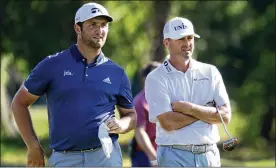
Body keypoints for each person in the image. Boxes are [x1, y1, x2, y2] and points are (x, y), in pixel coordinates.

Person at [11, 2, 137, 167]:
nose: (100, 31)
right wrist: (33, 145)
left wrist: (121, 125)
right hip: (65, 159)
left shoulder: (116, 72)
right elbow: (19, 103)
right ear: (78, 28)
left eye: (104, 25)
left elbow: (131, 115)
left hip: (106, 157)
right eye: (93, 25)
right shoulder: (53, 64)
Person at [145, 17, 232, 167]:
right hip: (173, 155)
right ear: (167, 43)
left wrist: (189, 108)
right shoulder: (155, 77)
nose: (187, 43)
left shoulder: (210, 72)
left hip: (209, 155)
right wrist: (208, 112)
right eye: (180, 39)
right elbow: (168, 122)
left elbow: (225, 116)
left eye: (190, 38)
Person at [130, 62, 160, 167]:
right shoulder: (140, 101)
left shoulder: (165, 99)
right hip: (145, 156)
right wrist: (153, 158)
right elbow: (140, 132)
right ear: (145, 79)